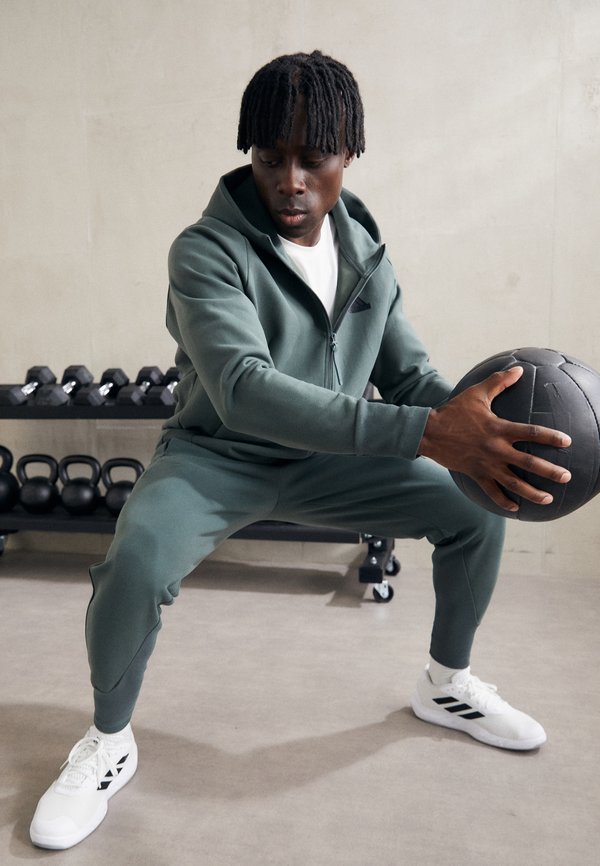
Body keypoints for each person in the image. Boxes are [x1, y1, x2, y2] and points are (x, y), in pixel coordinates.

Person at [30, 50, 571, 850]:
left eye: (313, 159)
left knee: (474, 505)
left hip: (333, 459)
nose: (290, 181)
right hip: (217, 459)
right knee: (136, 560)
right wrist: (429, 432)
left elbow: (408, 373)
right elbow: (244, 388)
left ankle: (446, 683)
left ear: (349, 153)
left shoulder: (364, 248)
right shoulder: (205, 250)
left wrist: (478, 427)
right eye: (269, 157)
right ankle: (107, 742)